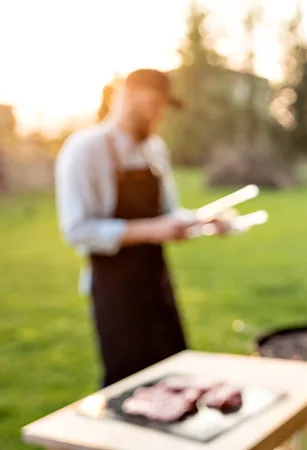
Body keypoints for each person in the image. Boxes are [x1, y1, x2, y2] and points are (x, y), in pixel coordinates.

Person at [55, 68, 216, 388]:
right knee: (128, 384)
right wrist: (153, 230)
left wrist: (204, 221)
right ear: (126, 96)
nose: (159, 116)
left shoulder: (155, 149)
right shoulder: (85, 150)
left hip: (157, 280)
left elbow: (169, 214)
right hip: (114, 288)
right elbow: (77, 230)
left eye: (162, 108)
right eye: (153, 104)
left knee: (175, 371)